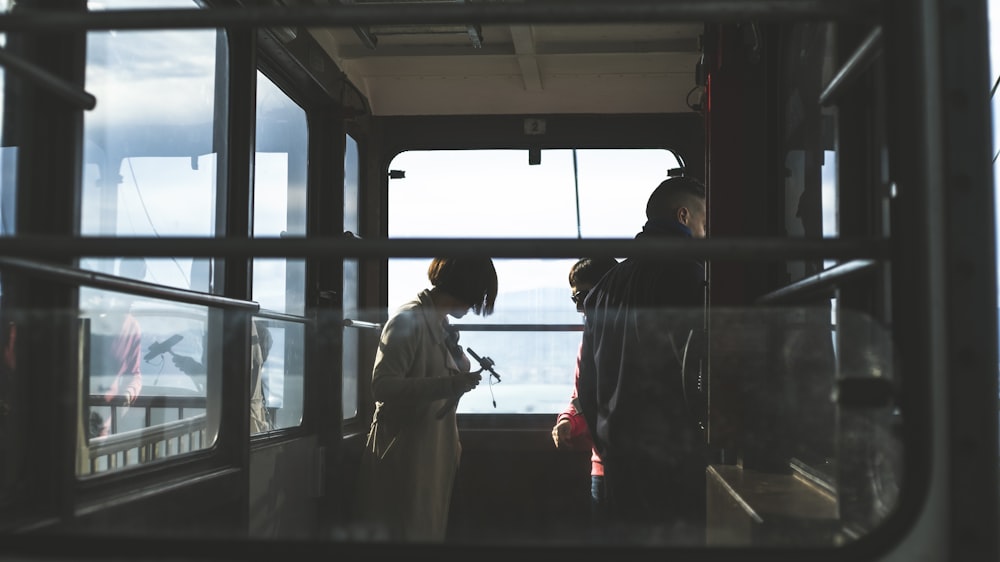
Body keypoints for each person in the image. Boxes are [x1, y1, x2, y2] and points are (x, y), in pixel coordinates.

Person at [577, 176, 709, 544]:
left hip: (620, 459)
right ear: (683, 216)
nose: (707, 231)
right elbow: (699, 368)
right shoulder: (689, 274)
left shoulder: (603, 289)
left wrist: (608, 446)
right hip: (674, 459)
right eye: (704, 221)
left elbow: (587, 387)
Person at [353, 257, 498, 542]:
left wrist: (458, 360)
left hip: (430, 451)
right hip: (405, 453)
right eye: (475, 298)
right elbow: (382, 386)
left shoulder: (438, 323)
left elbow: (441, 372)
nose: (472, 307)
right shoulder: (409, 319)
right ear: (464, 288)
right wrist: (450, 383)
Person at [550, 257, 619, 529]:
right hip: (602, 468)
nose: (581, 308)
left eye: (584, 297)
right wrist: (567, 419)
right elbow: (582, 396)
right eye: (575, 300)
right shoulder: (589, 341)